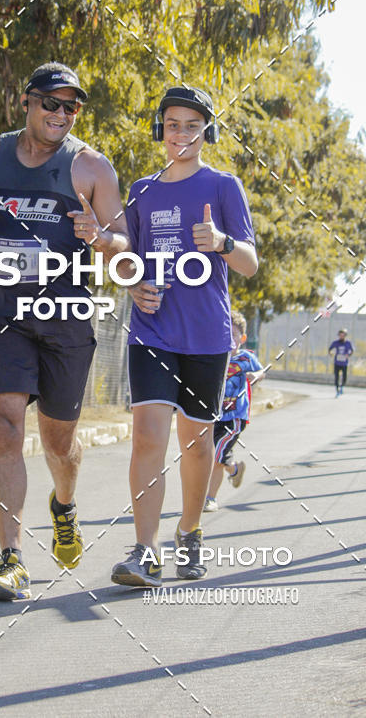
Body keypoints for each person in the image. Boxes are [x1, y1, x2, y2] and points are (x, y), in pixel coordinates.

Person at [0, 61, 129, 601]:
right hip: (1, 313)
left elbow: (126, 255)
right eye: (51, 103)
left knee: (59, 443)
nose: (61, 114)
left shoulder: (91, 168)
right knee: (5, 428)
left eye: (71, 106)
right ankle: (11, 559)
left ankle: (64, 505)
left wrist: (100, 237)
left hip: (66, 317)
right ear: (27, 102)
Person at [111, 85, 258, 588]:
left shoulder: (224, 186)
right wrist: (132, 283)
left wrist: (222, 243)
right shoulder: (141, 190)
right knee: (148, 436)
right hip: (152, 331)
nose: (181, 133)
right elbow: (122, 253)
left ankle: (190, 532)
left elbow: (251, 264)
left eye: (192, 125)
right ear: (161, 130)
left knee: (196, 446)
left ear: (206, 132)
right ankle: (144, 551)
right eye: (173, 124)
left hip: (207, 335)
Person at [204, 309, 266, 512]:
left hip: (235, 416)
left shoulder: (246, 358)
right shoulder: (215, 356)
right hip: (214, 415)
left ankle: (210, 499)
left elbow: (261, 371)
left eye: (234, 335)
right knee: (214, 456)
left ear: (243, 338)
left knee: (217, 453)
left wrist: (255, 377)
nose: (229, 338)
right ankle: (235, 469)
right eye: (225, 333)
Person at [328, 328, 354, 396]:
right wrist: (330, 353)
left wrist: (348, 355)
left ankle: (342, 387)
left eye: (343, 335)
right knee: (336, 377)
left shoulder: (348, 343)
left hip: (344, 363)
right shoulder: (336, 343)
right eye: (340, 335)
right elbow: (330, 349)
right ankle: (337, 390)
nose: (341, 336)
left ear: (345, 335)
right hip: (337, 363)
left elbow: (352, 351)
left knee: (344, 377)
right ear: (339, 335)